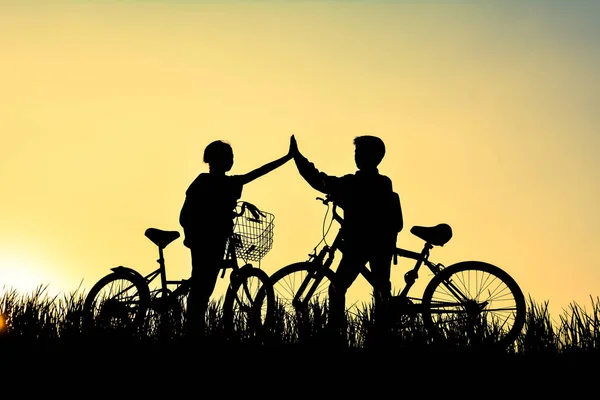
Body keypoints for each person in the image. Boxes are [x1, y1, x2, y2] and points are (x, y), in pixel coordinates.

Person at [289, 134, 403, 345]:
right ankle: (383, 334)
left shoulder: (353, 183)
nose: (356, 156)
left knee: (338, 286)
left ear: (368, 156)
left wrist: (298, 158)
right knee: (381, 288)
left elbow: (320, 180)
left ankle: (334, 331)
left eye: (359, 152)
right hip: (383, 243)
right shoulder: (384, 182)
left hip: (359, 243)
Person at [180, 138, 295, 337]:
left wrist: (286, 158)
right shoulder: (215, 182)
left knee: (203, 284)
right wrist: (287, 158)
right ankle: (193, 332)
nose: (231, 161)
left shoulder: (218, 182)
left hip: (210, 238)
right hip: (207, 239)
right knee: (202, 287)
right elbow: (186, 214)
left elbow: (260, 172)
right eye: (228, 157)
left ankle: (194, 330)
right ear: (217, 160)